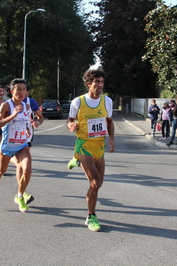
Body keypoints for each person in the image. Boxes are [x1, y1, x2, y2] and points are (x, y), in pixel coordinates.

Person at [66, 68, 115, 231]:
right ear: (89, 84)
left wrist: (112, 139)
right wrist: (71, 125)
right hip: (84, 145)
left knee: (99, 183)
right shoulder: (78, 102)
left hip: (98, 146)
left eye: (102, 82)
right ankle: (91, 216)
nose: (100, 85)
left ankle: (76, 160)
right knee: (94, 182)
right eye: (97, 82)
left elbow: (109, 121)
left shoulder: (107, 101)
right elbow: (70, 120)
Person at [0, 78, 34, 213]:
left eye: (24, 89)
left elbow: (25, 121)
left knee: (27, 170)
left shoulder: (26, 106)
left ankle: (20, 196)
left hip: (22, 145)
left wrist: (28, 128)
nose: (21, 92)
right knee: (1, 171)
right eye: (18, 89)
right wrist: (13, 115)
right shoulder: (6, 106)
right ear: (12, 91)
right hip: (7, 146)